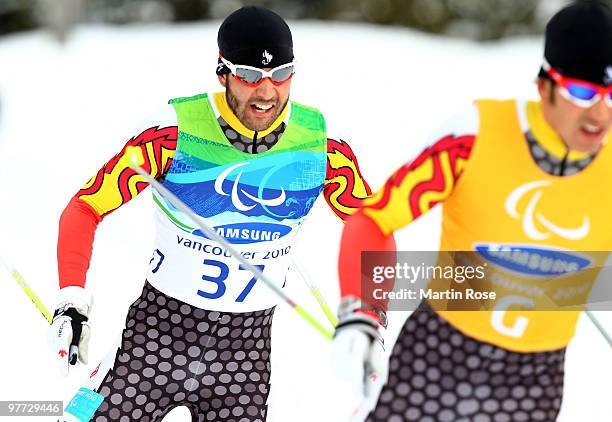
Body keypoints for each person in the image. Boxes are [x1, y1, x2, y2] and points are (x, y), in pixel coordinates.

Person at [49, 6, 371, 422]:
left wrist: (369, 315)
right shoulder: (171, 133)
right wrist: (71, 300)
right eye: (250, 76)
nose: (267, 92)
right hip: (156, 336)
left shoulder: (323, 148)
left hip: (244, 356)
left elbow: (373, 227)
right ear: (222, 73)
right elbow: (86, 206)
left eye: (281, 74)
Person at [333, 2, 612, 421]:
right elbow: (374, 218)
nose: (600, 113)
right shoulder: (477, 133)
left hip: (536, 380)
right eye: (583, 92)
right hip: (438, 356)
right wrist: (361, 312)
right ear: (544, 84)